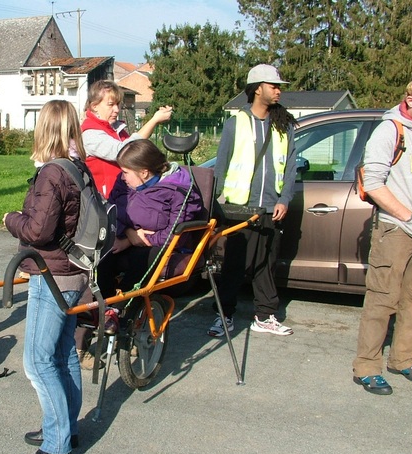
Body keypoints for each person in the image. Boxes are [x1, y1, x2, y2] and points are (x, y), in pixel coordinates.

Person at [3, 100, 88, 454]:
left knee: (38, 361)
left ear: (44, 128)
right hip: (74, 273)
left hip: (51, 275)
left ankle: (57, 447)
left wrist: (10, 219)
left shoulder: (52, 174)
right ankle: (64, 429)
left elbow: (38, 231)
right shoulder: (76, 166)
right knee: (64, 352)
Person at [352, 72, 412, 395]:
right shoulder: (389, 130)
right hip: (395, 232)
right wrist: (407, 214)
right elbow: (374, 183)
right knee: (382, 301)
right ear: (410, 101)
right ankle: (367, 367)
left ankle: (404, 359)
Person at [206, 64, 297, 338]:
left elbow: (291, 166)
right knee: (233, 266)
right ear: (258, 89)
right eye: (274, 86)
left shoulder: (284, 125)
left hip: (272, 209)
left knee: (266, 266)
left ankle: (265, 316)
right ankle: (224, 316)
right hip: (239, 210)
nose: (279, 90)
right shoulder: (236, 123)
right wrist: (211, 205)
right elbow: (220, 166)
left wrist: (285, 199)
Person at [97, 139, 203, 326]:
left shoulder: (179, 190)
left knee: (143, 257)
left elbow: (175, 234)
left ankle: (120, 309)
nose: (122, 177)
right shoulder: (125, 184)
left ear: (144, 172)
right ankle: (102, 305)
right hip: (125, 236)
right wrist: (129, 233)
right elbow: (110, 210)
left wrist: (135, 240)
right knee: (104, 254)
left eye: (126, 172)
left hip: (158, 245)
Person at [81, 79, 173, 198]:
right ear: (94, 106)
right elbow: (123, 151)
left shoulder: (116, 129)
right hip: (107, 202)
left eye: (118, 104)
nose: (117, 110)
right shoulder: (90, 134)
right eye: (111, 104)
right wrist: (154, 121)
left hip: (124, 196)